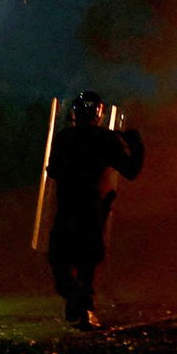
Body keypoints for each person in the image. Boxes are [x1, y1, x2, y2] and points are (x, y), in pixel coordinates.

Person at [46, 90, 144, 330]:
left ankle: (80, 304)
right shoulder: (104, 139)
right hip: (92, 210)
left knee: (62, 262)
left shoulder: (65, 137)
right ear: (99, 113)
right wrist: (136, 146)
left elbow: (54, 171)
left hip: (70, 208)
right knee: (85, 264)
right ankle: (83, 306)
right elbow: (130, 171)